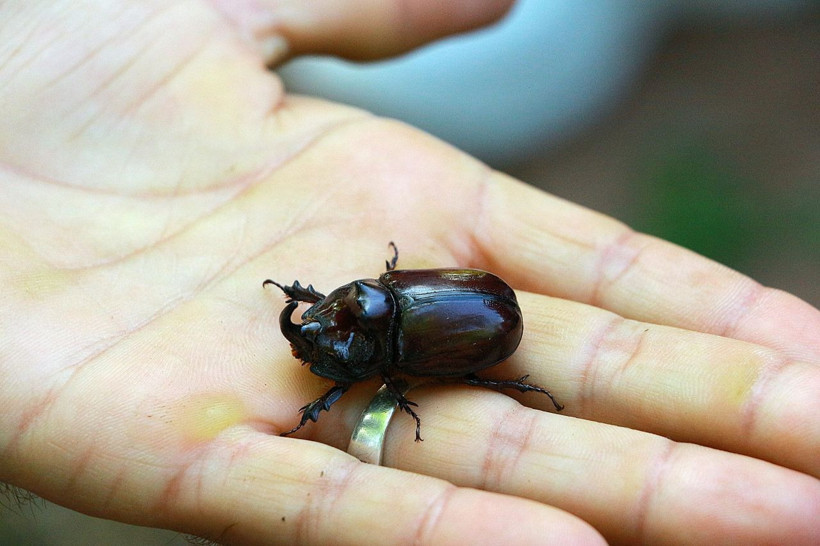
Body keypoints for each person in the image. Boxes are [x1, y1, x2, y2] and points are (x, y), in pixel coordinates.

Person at [0, 2, 817, 544]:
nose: (315, 323)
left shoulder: (389, 334)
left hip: (484, 327)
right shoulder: (381, 305)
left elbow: (369, 360)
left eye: (318, 318)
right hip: (473, 315)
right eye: (319, 326)